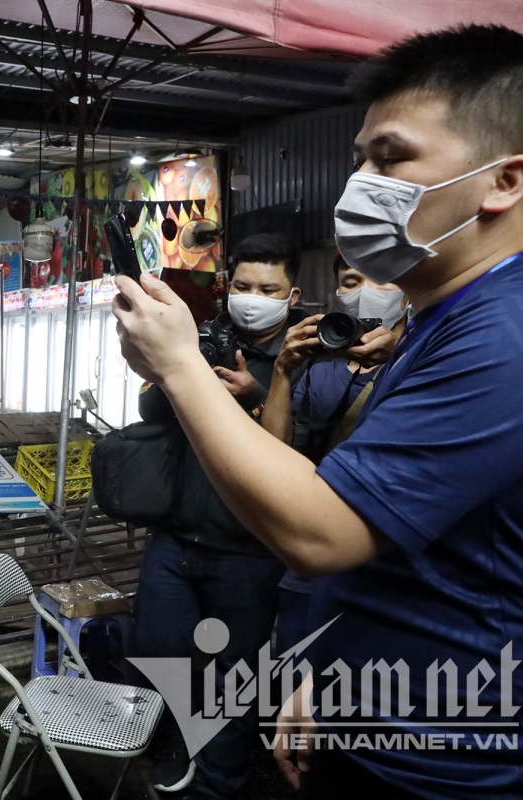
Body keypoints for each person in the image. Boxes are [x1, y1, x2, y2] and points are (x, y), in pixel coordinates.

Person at [112, 25, 523, 799]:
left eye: (392, 158)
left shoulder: (506, 336)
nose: (359, 184)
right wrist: (331, 677)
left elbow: (319, 530)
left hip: (447, 765)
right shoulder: (442, 321)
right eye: (359, 158)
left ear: (503, 180)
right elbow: (408, 551)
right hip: (377, 718)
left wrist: (177, 366)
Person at [136, 233, 309, 798]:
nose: (252, 297)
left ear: (293, 294)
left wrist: (257, 395)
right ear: (225, 286)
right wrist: (178, 370)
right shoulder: (202, 342)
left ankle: (220, 783)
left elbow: (308, 453)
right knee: (161, 653)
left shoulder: (307, 358)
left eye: (268, 289)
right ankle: (187, 746)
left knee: (233, 679)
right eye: (242, 285)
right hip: (175, 538)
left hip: (249, 554)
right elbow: (152, 411)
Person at [261, 256, 405, 649]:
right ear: (338, 293)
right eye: (352, 281)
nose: (366, 293)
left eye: (384, 280)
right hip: (310, 557)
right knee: (296, 674)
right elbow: (275, 450)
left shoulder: (417, 360)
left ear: (408, 293)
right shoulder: (321, 367)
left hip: (381, 558)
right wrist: (283, 369)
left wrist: (402, 352)